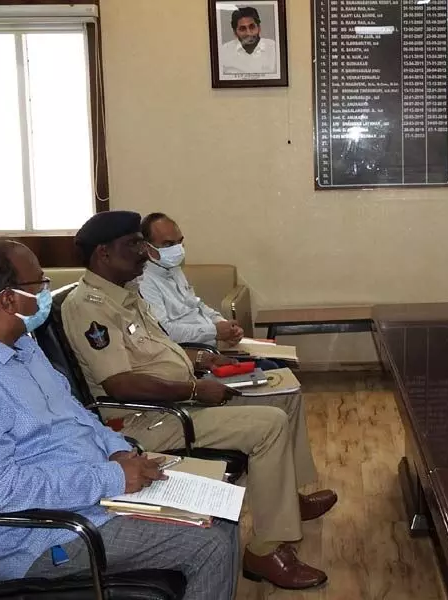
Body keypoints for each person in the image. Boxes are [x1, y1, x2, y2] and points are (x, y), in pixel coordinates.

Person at [0, 240, 237, 599]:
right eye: (39, 284)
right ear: (7, 300)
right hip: (50, 536)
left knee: (222, 508)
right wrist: (111, 477)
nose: (46, 293)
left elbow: (78, 416)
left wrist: (118, 452)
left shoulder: (24, 348)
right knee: (210, 543)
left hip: (98, 498)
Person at [61, 211, 334, 589]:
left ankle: (287, 500)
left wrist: (203, 360)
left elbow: (161, 350)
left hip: (182, 399)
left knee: (280, 392)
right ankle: (265, 550)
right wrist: (193, 390)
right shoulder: (88, 306)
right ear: (103, 254)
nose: (144, 252)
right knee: (269, 425)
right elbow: (121, 384)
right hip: (148, 421)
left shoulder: (126, 294)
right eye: (134, 244)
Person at [138, 212, 243, 348]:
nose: (177, 249)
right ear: (147, 247)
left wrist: (226, 326)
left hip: (213, 342)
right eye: (168, 244)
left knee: (273, 364)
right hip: (192, 353)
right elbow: (163, 331)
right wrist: (214, 332)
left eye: (179, 242)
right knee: (269, 366)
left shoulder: (173, 268)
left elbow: (196, 306)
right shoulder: (144, 281)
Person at [220, 6, 278, 75]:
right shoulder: (223, 52)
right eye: (242, 29)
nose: (248, 33)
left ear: (259, 28)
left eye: (252, 27)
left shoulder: (275, 49)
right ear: (235, 32)